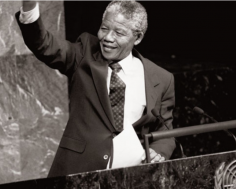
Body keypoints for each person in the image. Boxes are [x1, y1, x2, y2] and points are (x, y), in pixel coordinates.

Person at [16, 0, 176, 177]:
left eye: (119, 33)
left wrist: (158, 151)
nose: (108, 38)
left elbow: (165, 131)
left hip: (131, 177)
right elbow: (45, 45)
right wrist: (29, 7)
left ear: (137, 38)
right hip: (79, 173)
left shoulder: (161, 78)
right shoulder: (84, 53)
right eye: (105, 28)